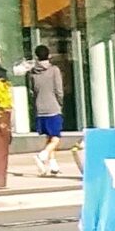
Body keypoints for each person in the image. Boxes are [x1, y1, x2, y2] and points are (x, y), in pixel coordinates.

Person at [17, 43, 69, 177]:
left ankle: (53, 165)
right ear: (49, 55)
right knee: (56, 137)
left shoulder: (33, 73)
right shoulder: (54, 70)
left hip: (40, 108)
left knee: (49, 137)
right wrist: (60, 103)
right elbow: (59, 91)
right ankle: (42, 156)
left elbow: (32, 91)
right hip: (53, 107)